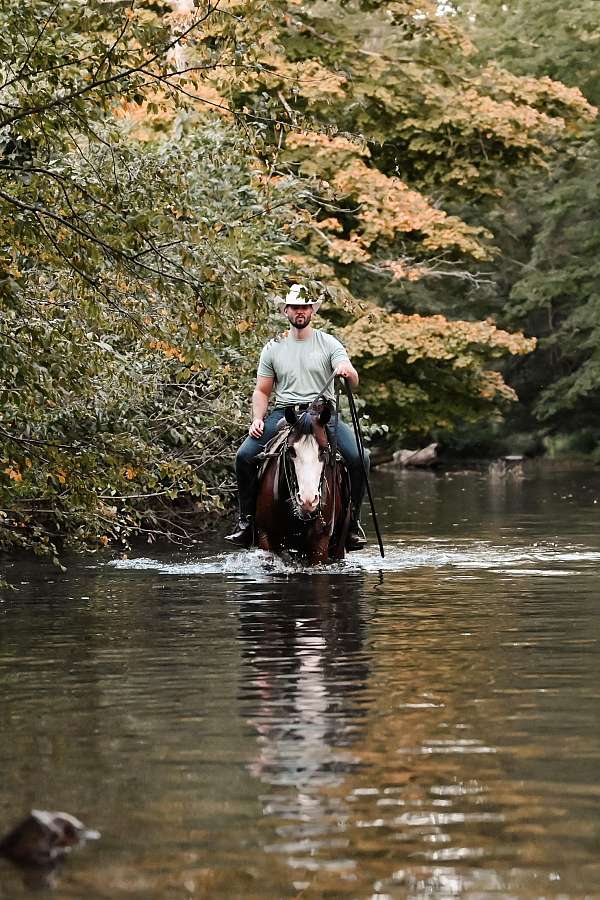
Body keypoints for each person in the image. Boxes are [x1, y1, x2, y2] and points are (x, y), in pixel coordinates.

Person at [225, 283, 369, 549]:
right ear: (286, 311)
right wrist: (258, 418)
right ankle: (246, 522)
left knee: (361, 457)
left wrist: (346, 370)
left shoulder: (328, 343)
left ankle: (353, 523)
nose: (300, 312)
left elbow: (350, 372)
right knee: (244, 456)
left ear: (311, 311)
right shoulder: (273, 347)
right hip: (285, 413)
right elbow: (261, 390)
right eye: (295, 307)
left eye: (304, 307)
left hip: (322, 414)